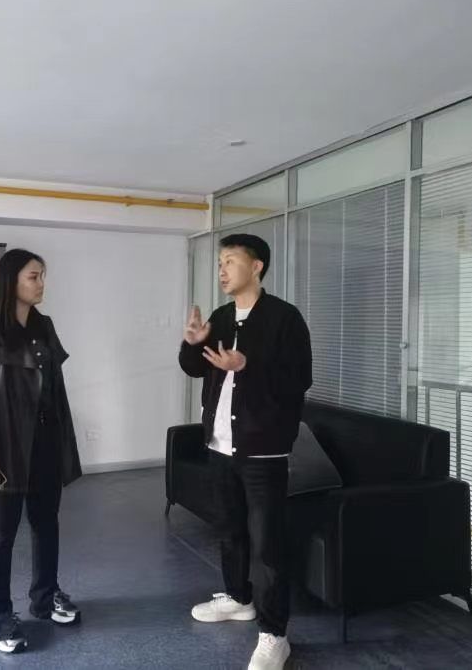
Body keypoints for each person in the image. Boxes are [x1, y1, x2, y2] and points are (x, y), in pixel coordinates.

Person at [179, 233, 312, 670]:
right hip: (219, 444)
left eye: (230, 261)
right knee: (230, 529)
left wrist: (248, 366)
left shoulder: (284, 318)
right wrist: (193, 341)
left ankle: (275, 635)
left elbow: (299, 379)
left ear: (256, 267)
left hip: (263, 451)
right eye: (220, 262)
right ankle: (238, 598)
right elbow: (195, 368)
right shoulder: (221, 315)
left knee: (268, 546)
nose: (222, 270)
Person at [0, 248, 83, 654]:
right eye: (34, 276)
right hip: (3, 450)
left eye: (43, 275)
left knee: (47, 523)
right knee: (1, 534)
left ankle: (45, 597)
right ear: (11, 280)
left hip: (45, 444)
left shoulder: (45, 326)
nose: (41, 283)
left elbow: (55, 392)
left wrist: (65, 441)